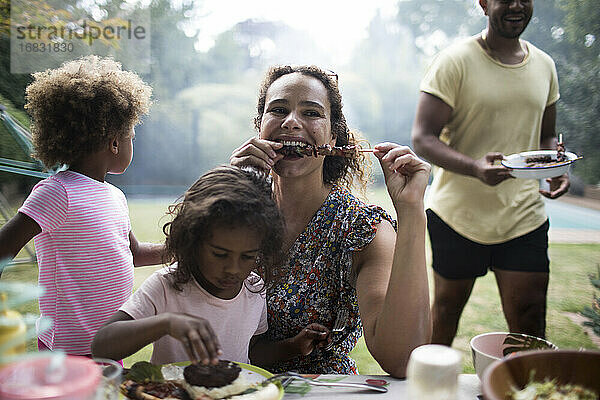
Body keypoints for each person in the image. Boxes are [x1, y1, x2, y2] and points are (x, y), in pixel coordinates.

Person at [230, 65, 431, 377]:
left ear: (333, 136)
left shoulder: (362, 230)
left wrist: (412, 211)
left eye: (311, 113)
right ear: (260, 127)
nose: (292, 122)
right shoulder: (234, 210)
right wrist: (224, 192)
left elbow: (402, 359)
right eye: (279, 109)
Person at [411, 0, 569, 346]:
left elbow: (544, 136)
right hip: (457, 215)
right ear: (484, 3)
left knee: (529, 317)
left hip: (523, 216)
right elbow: (422, 137)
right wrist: (474, 168)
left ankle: (525, 392)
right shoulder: (454, 61)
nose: (516, 5)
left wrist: (555, 167)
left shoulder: (545, 65)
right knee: (446, 312)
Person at [0, 56, 163, 356]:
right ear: (114, 142)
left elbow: (133, 254)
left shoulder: (115, 196)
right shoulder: (57, 192)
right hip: (67, 353)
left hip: (111, 343)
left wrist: (183, 250)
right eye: (131, 137)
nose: (131, 144)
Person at [93, 165, 322, 365]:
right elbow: (102, 346)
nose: (233, 269)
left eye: (247, 257)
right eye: (220, 254)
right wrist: (164, 324)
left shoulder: (253, 288)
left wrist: (292, 347)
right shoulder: (168, 285)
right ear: (193, 239)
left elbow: (249, 354)